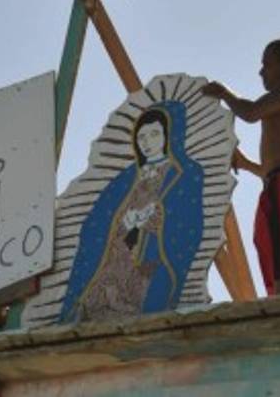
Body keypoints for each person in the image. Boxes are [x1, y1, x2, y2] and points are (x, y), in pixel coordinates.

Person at [58, 102, 204, 322]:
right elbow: (96, 221)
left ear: (169, 135)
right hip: (116, 256)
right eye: (141, 137)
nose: (147, 142)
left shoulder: (184, 173)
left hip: (152, 260)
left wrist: (156, 218)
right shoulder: (125, 177)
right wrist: (122, 222)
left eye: (154, 134)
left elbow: (189, 224)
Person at [202, 39, 280, 295]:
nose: (261, 72)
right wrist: (245, 164)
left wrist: (224, 93)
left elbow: (251, 112)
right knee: (278, 273)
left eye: (266, 64)